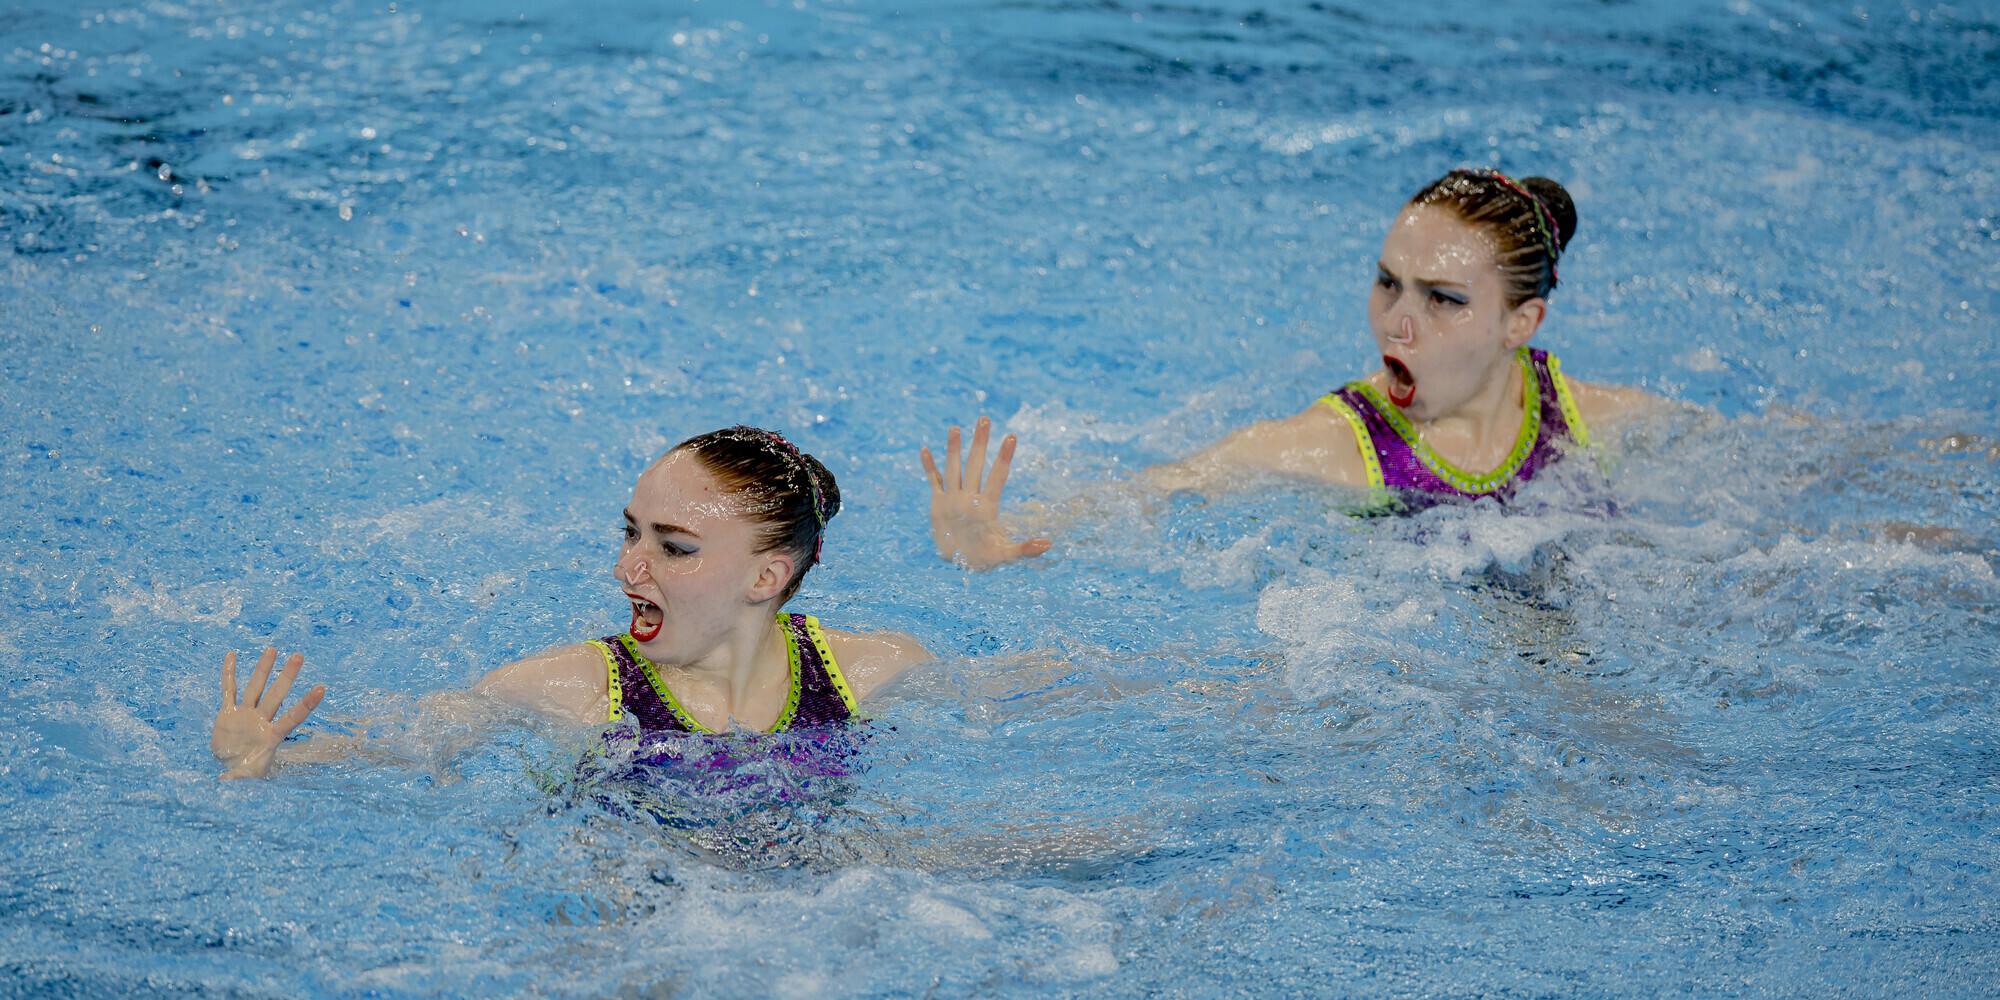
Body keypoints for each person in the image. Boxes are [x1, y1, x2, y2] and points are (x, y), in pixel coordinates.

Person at [921, 168, 1661, 568]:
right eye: (1388, 282)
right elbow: (1162, 490)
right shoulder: (1340, 446)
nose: (1397, 320)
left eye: (1443, 299)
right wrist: (997, 536)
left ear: (1520, 324)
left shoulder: (1587, 416)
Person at [211, 426, 932, 780]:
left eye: (673, 548)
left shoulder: (865, 674)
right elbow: (404, 743)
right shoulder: (575, 689)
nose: (627, 569)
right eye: (631, 533)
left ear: (766, 578)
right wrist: (272, 758)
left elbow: (1037, 695)